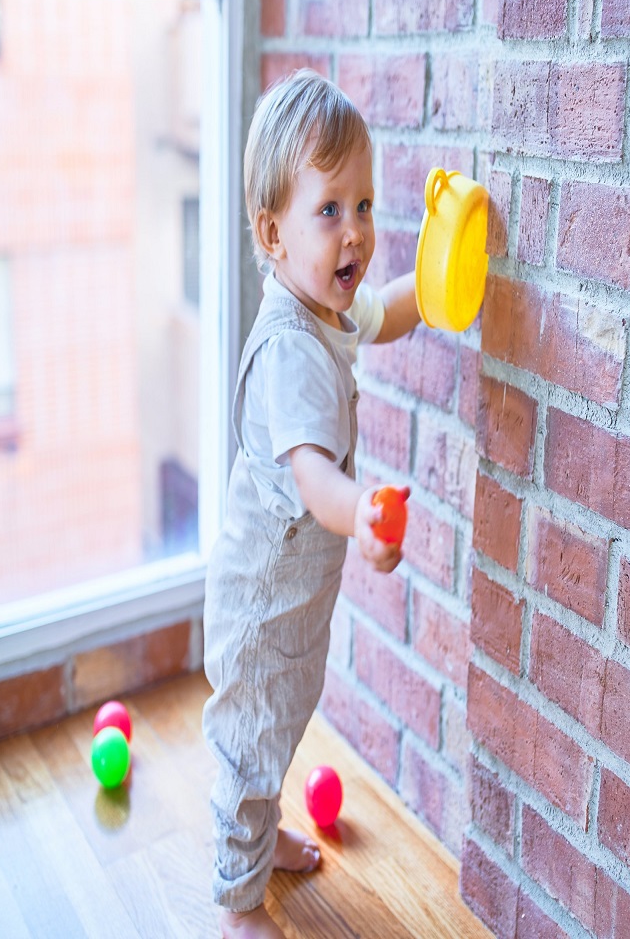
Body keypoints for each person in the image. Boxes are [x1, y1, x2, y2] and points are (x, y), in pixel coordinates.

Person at [202, 69, 421, 939]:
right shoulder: (292, 347)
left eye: (364, 206)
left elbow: (390, 313)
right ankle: (237, 901)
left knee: (281, 723)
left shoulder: (326, 302)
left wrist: (441, 275)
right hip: (264, 605)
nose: (355, 232)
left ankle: (262, 842)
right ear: (273, 233)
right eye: (329, 210)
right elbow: (311, 476)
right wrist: (362, 509)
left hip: (294, 601)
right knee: (249, 747)